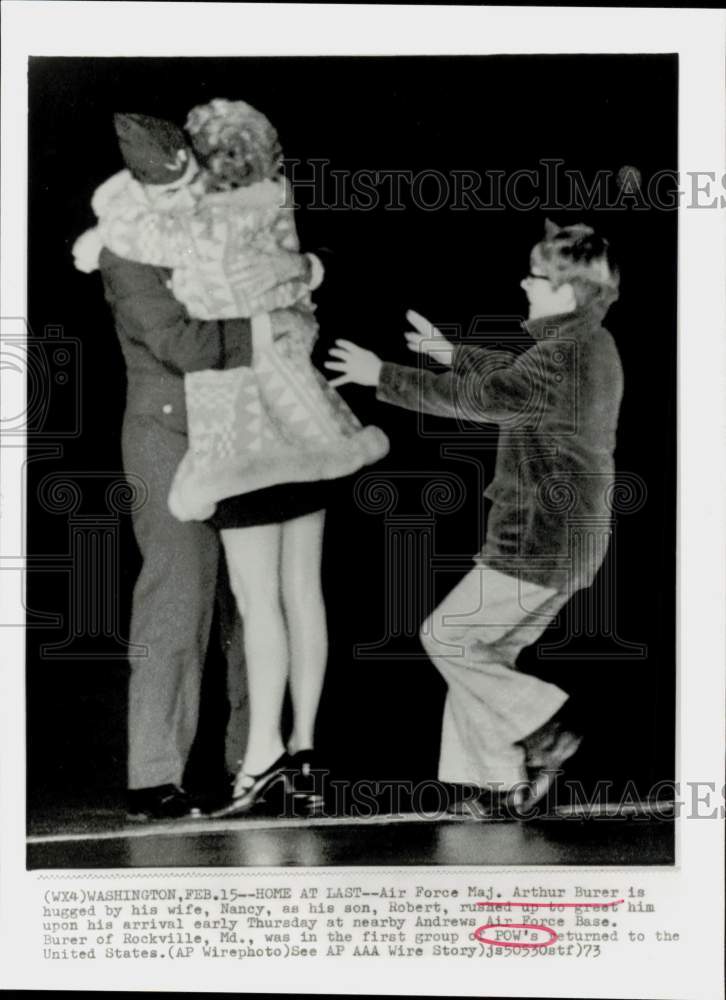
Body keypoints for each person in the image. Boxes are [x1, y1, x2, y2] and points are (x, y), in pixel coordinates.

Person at [80, 100, 389, 818]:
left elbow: (302, 254)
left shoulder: (214, 210)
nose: (190, 192)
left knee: (260, 607)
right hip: (175, 432)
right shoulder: (127, 243)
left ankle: (262, 757)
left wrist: (302, 270)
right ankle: (155, 773)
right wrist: (273, 326)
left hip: (252, 423)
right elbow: (182, 344)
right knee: (181, 597)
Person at [325, 220, 624, 814]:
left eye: (536, 276)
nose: (524, 282)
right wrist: (451, 352)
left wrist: (380, 375)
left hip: (539, 536)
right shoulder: (592, 346)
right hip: (576, 540)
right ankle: (496, 787)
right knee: (480, 654)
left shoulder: (560, 356)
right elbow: (515, 385)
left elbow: (488, 399)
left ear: (568, 292)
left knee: (447, 636)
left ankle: (547, 727)